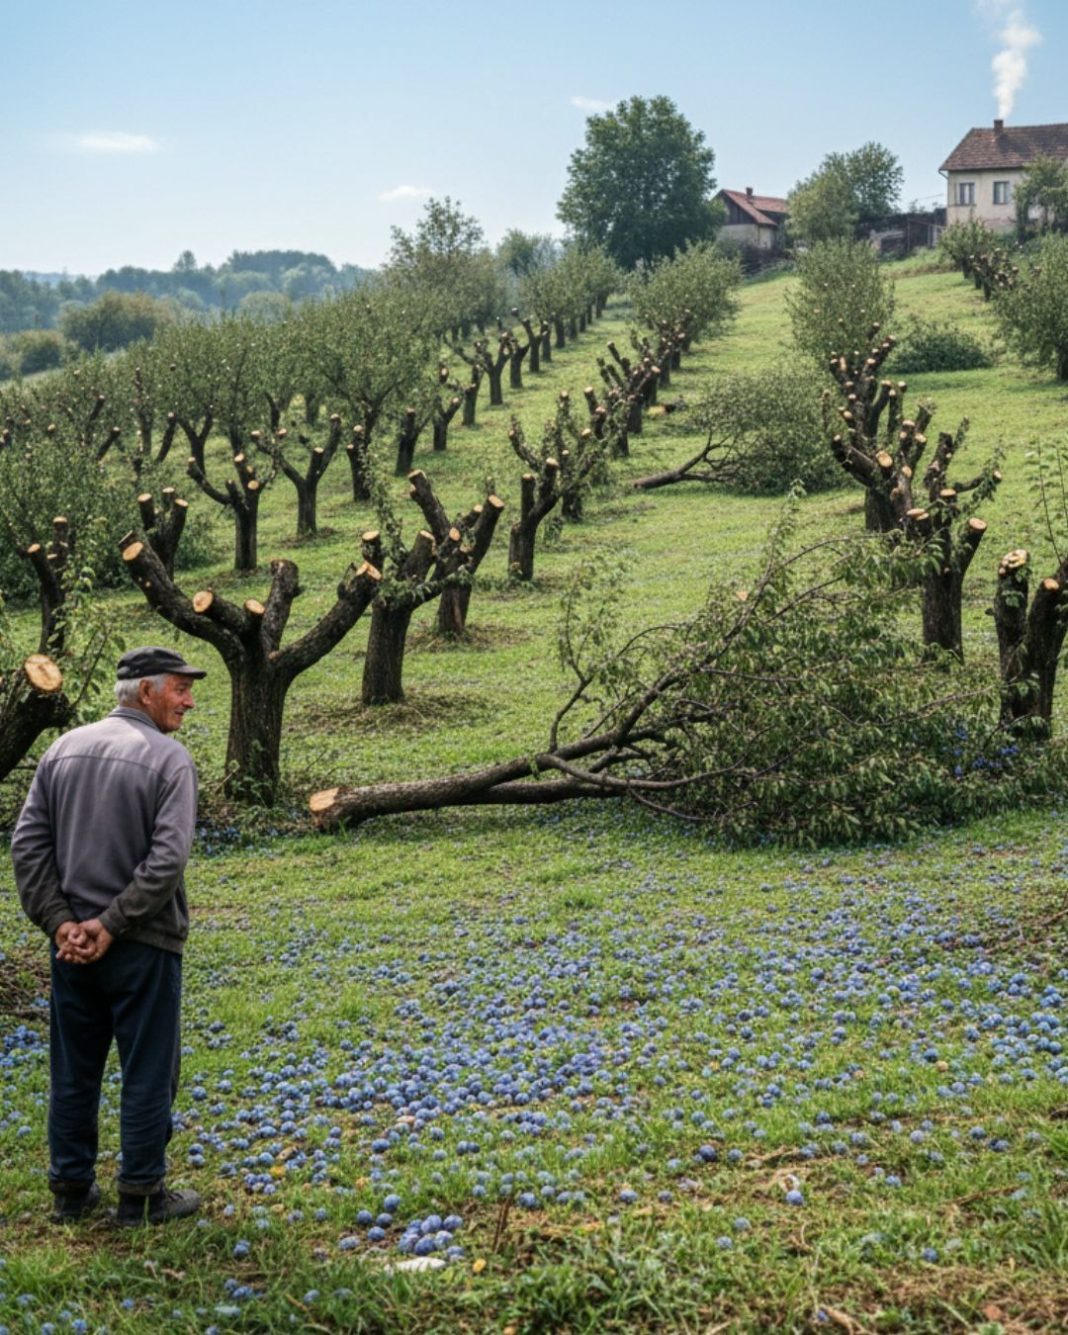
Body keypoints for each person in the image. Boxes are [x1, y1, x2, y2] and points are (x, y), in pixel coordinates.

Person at [12, 646, 206, 1226]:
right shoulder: (169, 760)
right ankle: (140, 1196)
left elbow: (28, 846)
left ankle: (70, 1192)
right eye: (180, 688)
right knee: (148, 1067)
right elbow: (168, 859)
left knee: (74, 1067)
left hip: (71, 947)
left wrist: (63, 923)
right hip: (143, 943)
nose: (189, 700)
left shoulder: (61, 749)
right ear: (146, 692)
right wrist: (112, 923)